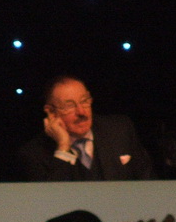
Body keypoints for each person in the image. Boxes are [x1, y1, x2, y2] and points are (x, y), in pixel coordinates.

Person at [17, 75, 153, 181]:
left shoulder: (119, 130)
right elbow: (50, 199)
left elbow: (149, 182)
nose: (81, 112)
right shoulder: (34, 154)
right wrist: (63, 147)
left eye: (84, 101)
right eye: (70, 106)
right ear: (51, 112)